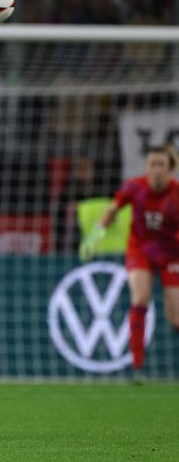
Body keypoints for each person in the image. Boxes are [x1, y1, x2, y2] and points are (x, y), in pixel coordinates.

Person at [80, 145, 179, 371]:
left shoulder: (176, 193)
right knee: (140, 298)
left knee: (176, 319)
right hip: (141, 250)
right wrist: (94, 236)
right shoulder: (135, 187)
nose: (155, 170)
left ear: (170, 168)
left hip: (172, 254)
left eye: (160, 165)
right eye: (152, 164)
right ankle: (137, 365)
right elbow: (113, 209)